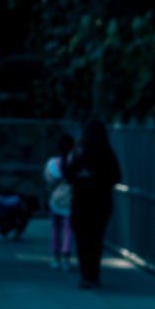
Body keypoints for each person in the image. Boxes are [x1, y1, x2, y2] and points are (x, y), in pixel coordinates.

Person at [64, 120, 122, 289]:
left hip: (81, 201)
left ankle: (85, 275)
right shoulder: (107, 153)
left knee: (82, 239)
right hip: (101, 202)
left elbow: (68, 176)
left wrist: (82, 177)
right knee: (96, 239)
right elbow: (117, 176)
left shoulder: (78, 153)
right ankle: (93, 274)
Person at [44, 133, 75, 271]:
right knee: (69, 229)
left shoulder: (51, 163)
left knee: (55, 229)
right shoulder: (74, 161)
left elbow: (48, 181)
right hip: (70, 200)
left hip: (55, 199)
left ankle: (56, 258)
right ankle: (66, 258)